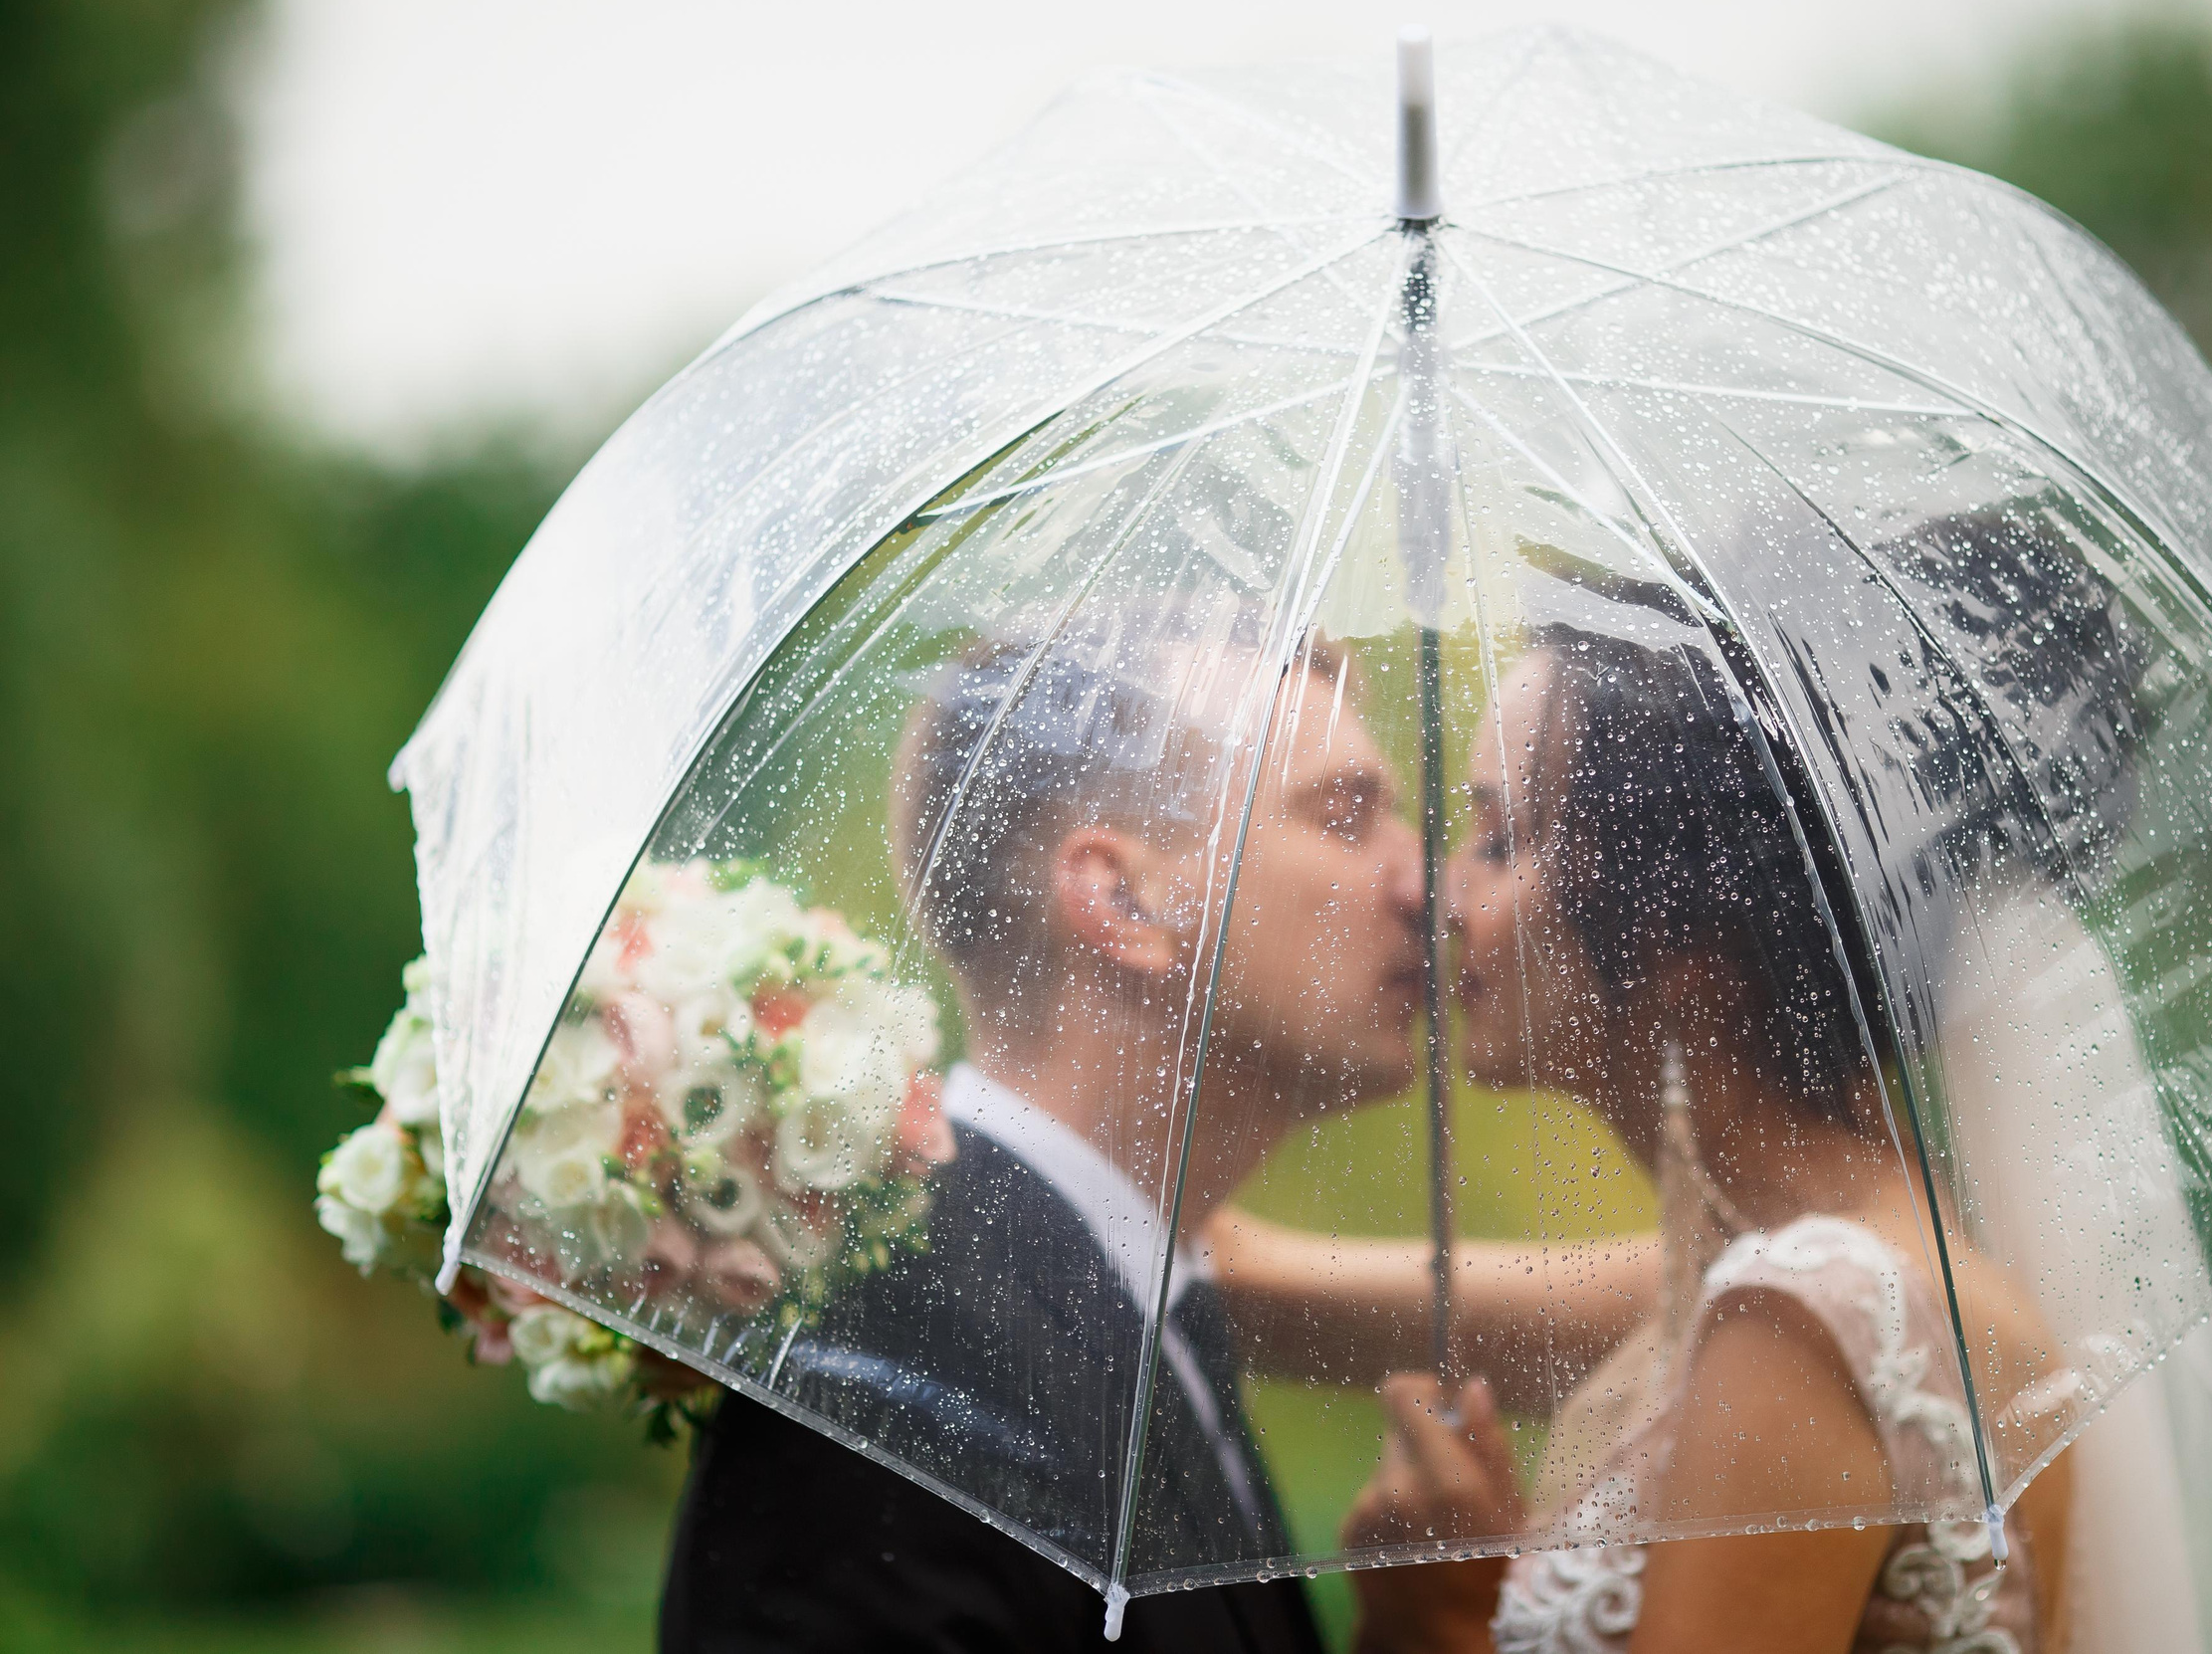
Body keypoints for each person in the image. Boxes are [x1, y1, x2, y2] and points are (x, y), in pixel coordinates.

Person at [1333, 565, 2086, 1654]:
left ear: (1688, 942)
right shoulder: (1799, 1251)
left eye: (1499, 842)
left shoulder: (1802, 1315)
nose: (1439, 897)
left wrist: (1442, 1624)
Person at [660, 604, 1427, 1653]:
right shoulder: (895, 1371)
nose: (1422, 883)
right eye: (1344, 814)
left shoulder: (1140, 1297)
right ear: (1121, 902)